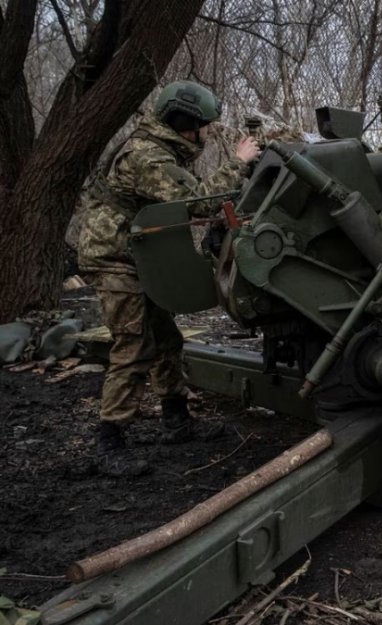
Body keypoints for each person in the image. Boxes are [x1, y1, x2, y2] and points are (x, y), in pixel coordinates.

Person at [77, 81, 261, 475]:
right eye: (205, 125)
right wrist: (238, 161)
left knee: (167, 339)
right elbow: (197, 200)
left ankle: (177, 420)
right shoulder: (148, 157)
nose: (210, 133)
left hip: (137, 255)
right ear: (184, 123)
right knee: (134, 347)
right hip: (114, 258)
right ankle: (109, 442)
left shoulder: (160, 149)